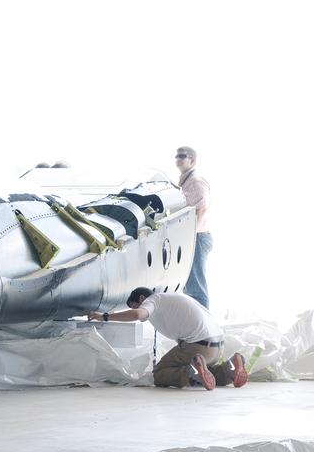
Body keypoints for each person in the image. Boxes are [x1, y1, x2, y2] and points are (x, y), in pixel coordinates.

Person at [89, 286, 247, 390]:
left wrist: (104, 317)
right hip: (217, 347)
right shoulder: (174, 297)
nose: (137, 309)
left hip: (198, 346)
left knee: (159, 373)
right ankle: (228, 370)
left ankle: (192, 373)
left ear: (142, 299)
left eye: (135, 305)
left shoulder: (153, 300)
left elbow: (138, 314)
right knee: (208, 372)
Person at [175, 146, 212, 308]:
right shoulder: (185, 180)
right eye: (176, 156)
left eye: (182, 156)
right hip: (192, 237)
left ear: (193, 160)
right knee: (190, 286)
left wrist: (191, 236)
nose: (178, 159)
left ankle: (204, 328)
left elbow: (202, 209)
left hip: (197, 238)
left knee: (196, 287)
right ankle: (197, 327)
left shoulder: (195, 180)